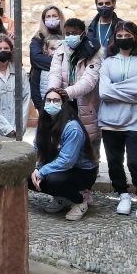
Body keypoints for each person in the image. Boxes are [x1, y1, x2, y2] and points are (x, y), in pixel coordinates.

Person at [98, 21, 137, 220]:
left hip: (136, 119)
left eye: (127, 35)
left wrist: (116, 89)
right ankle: (123, 194)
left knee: (135, 160)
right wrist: (130, 90)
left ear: (135, 36)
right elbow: (104, 92)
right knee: (114, 161)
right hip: (110, 120)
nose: (123, 39)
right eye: (119, 35)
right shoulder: (108, 62)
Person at [30, 89, 99, 221]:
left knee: (53, 180)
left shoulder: (72, 127)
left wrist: (41, 171)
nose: (51, 103)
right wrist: (35, 167)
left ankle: (79, 201)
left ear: (63, 104)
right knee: (28, 175)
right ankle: (63, 197)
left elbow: (67, 160)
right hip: (58, 166)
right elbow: (37, 148)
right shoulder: (43, 123)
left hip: (82, 171)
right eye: (48, 100)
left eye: (56, 101)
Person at [48, 18, 103, 148]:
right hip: (65, 103)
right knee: (65, 144)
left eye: (74, 33)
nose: (70, 36)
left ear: (82, 34)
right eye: (67, 34)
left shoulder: (93, 52)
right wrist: (53, 92)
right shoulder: (60, 51)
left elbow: (89, 81)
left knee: (89, 147)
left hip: (85, 104)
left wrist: (67, 92)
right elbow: (55, 73)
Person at [29, 6, 65, 110]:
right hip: (41, 85)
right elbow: (36, 59)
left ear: (60, 17)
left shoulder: (67, 35)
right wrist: (61, 63)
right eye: (48, 16)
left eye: (54, 16)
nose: (51, 18)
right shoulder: (38, 38)